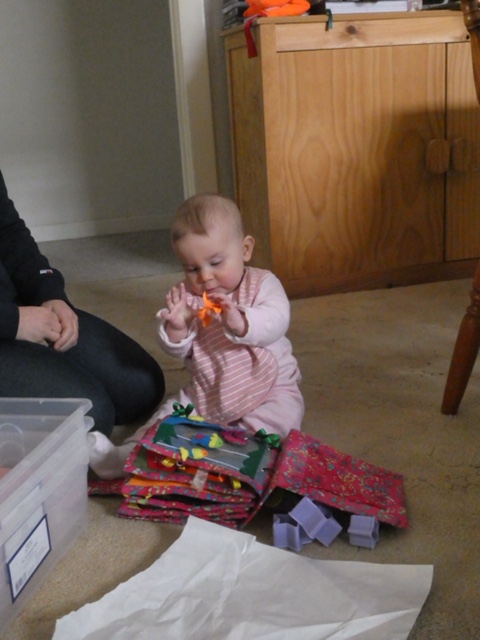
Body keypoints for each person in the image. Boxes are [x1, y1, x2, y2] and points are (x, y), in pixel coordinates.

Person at [89, 193, 304, 479]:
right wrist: (177, 327)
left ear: (245, 249)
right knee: (168, 414)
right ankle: (123, 457)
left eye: (215, 262)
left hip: (270, 388)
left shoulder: (262, 283)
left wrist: (240, 321)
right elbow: (180, 349)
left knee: (282, 419)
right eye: (192, 268)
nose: (204, 277)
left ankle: (238, 456)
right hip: (207, 391)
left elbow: (277, 320)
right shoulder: (188, 297)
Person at [0, 169, 165, 436]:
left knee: (141, 387)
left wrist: (49, 293)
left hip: (17, 306)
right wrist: (12, 323)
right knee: (92, 416)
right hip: (10, 321)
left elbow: (8, 231)